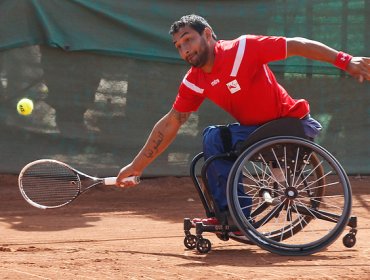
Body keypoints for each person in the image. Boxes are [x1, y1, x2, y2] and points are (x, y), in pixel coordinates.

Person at [116, 14, 370, 224]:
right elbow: (172, 121)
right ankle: (230, 216)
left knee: (213, 137)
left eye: (188, 40)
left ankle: (234, 218)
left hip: (290, 125)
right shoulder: (194, 80)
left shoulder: (244, 48)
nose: (185, 50)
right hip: (257, 134)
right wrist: (137, 166)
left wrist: (345, 61)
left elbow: (295, 45)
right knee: (213, 143)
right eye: (179, 46)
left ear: (207, 34)